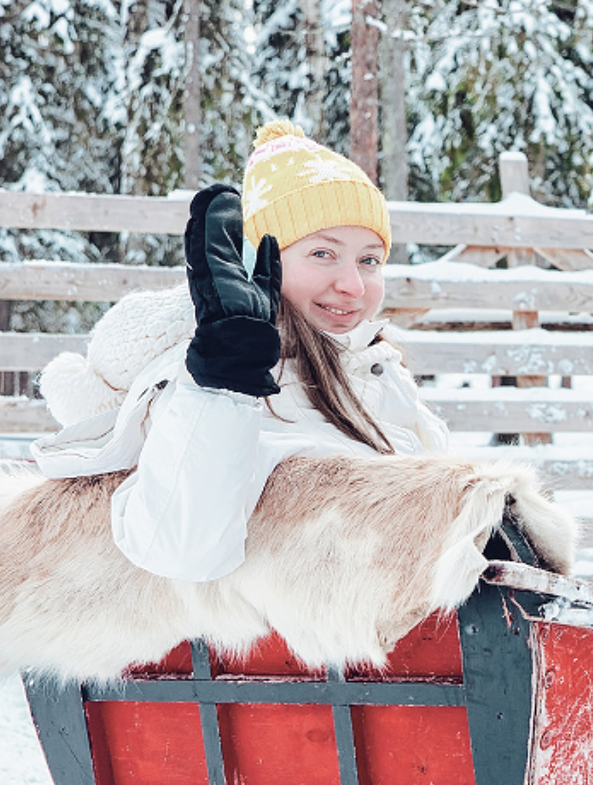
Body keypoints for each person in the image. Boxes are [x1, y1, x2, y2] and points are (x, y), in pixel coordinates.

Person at [32, 120, 448, 582]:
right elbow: (182, 552)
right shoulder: (215, 379)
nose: (352, 285)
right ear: (256, 265)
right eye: (322, 254)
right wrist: (225, 383)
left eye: (369, 260)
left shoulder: (375, 367)